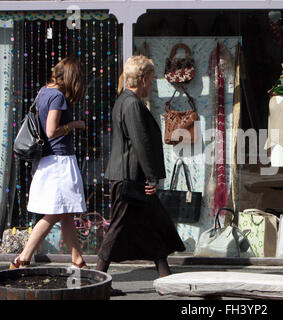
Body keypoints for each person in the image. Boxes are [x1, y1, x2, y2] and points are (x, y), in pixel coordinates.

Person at [96, 55, 185, 280]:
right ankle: (96, 280)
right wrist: (152, 178)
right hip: (130, 179)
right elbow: (141, 143)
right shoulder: (132, 104)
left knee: (154, 224)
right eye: (152, 79)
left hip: (132, 177)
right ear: (144, 79)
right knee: (117, 227)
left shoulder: (124, 101)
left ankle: (166, 277)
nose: (152, 84)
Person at [10, 57, 88, 269]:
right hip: (59, 161)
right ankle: (23, 258)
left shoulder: (44, 91)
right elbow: (52, 131)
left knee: (66, 212)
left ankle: (78, 260)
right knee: (55, 213)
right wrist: (74, 124)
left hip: (49, 161)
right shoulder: (58, 97)